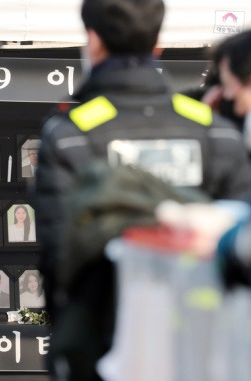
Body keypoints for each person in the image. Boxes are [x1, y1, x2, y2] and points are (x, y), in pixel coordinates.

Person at [34, 0, 251, 380]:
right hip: (204, 349)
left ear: (93, 40)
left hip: (107, 347)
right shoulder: (213, 129)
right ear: (158, 45)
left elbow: (59, 259)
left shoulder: (70, 133)